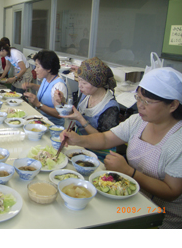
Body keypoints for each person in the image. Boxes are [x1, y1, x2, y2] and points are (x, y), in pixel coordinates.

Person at [59, 67, 182, 229]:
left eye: (147, 102)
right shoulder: (138, 121)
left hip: (161, 216)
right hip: (129, 197)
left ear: (172, 105)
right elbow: (104, 138)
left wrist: (129, 172)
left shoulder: (177, 141)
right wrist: (78, 140)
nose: (140, 106)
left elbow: (171, 191)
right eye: (138, 98)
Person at [55, 57, 119, 161]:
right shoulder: (87, 94)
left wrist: (81, 120)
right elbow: (76, 113)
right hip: (80, 147)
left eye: (84, 83)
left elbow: (104, 140)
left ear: (97, 83)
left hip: (99, 156)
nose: (80, 86)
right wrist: (63, 102)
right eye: (79, 81)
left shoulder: (111, 107)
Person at [22, 50, 67, 126]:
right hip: (41, 120)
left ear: (49, 68)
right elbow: (46, 90)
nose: (35, 69)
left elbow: (59, 114)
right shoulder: (46, 78)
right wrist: (32, 86)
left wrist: (38, 104)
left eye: (38, 66)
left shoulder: (58, 86)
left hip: (52, 126)